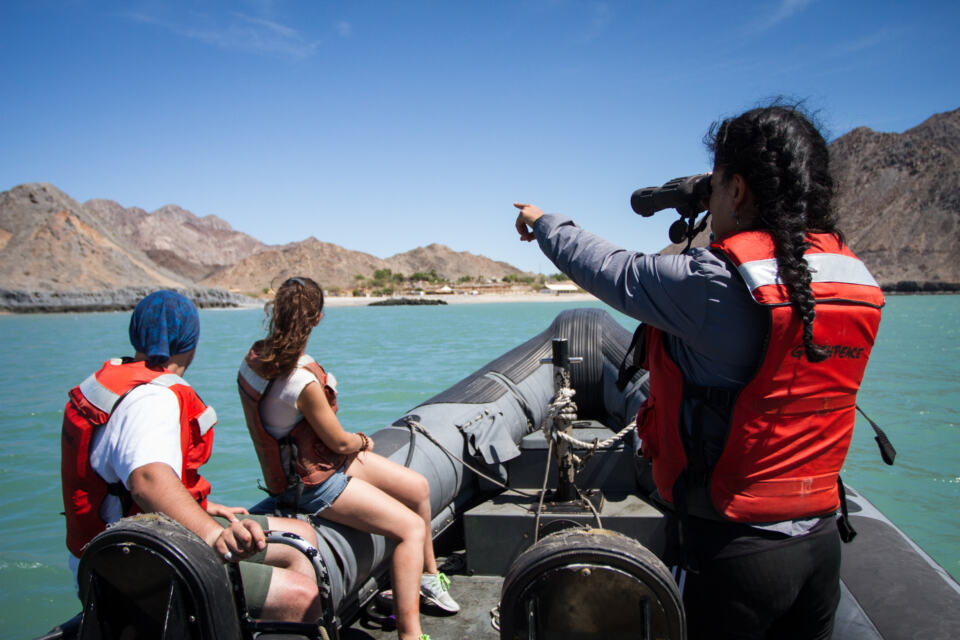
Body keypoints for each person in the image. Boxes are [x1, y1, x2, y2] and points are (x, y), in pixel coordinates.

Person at [514, 103, 884, 640]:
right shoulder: (854, 276)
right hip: (820, 538)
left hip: (736, 550)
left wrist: (543, 222)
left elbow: (613, 269)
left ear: (737, 190)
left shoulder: (716, 284)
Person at [61, 290, 325, 622]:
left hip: (120, 549)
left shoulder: (112, 381)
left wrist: (204, 507)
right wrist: (214, 534)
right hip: (133, 567)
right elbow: (147, 480)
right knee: (302, 596)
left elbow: (121, 476)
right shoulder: (153, 399)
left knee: (302, 535)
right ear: (192, 343)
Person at [237, 276, 458, 640]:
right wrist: (361, 440)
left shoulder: (253, 359)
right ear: (318, 318)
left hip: (312, 466)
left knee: (417, 487)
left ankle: (430, 579)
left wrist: (346, 447)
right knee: (411, 529)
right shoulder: (302, 380)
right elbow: (339, 443)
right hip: (312, 486)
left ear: (276, 311)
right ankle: (411, 634)